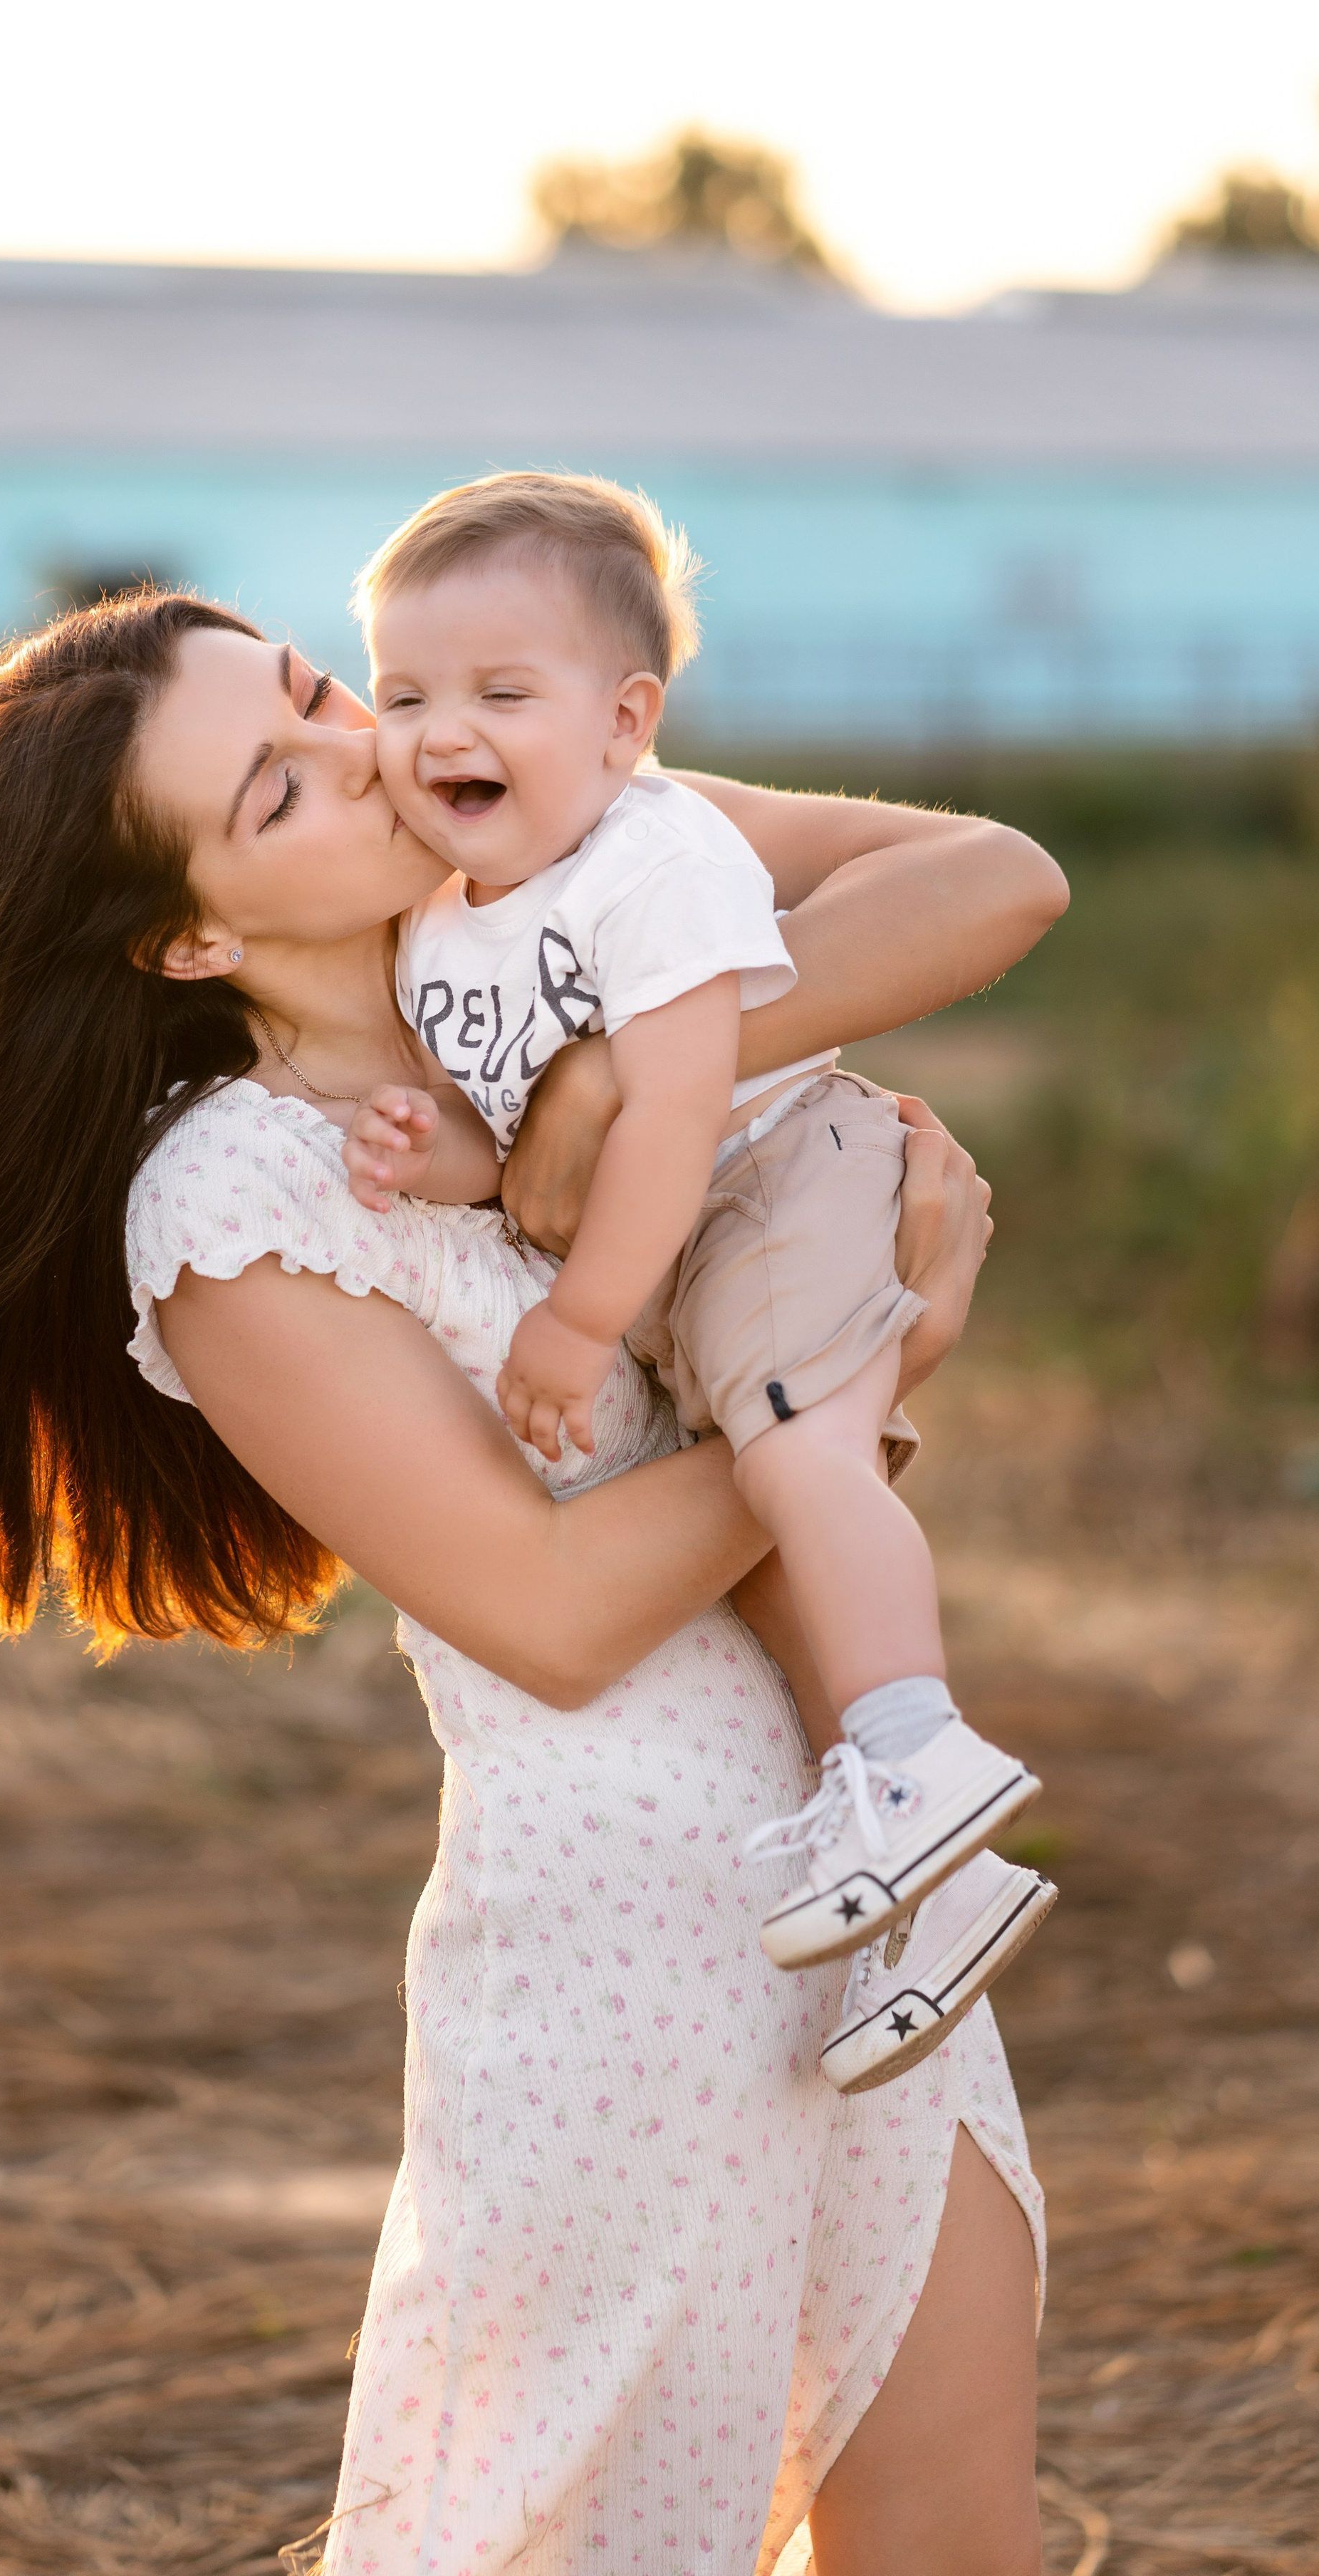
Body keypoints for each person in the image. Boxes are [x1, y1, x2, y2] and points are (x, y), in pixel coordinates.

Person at [0, 588, 1068, 2575]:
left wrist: (618, 1084)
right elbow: (552, 1612)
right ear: (191, 937)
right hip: (628, 1958)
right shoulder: (234, 1200)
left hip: (871, 1865)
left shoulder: (566, 861)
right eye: (278, 786)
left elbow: (990, 878)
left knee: (956, 2545)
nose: (365, 756)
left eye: (321, 694)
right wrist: (861, 1362)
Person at [341, 473, 1054, 2089]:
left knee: (800, 1457)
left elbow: (661, 1105)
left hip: (766, 1179)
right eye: (402, 695)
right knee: (757, 1546)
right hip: (682, 1236)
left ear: (624, 720)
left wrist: (583, 1314)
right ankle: (930, 1895)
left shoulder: (650, 854)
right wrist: (428, 1148)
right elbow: (524, 1121)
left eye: (499, 694)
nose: (439, 728)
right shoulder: (447, 923)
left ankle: (916, 1748)